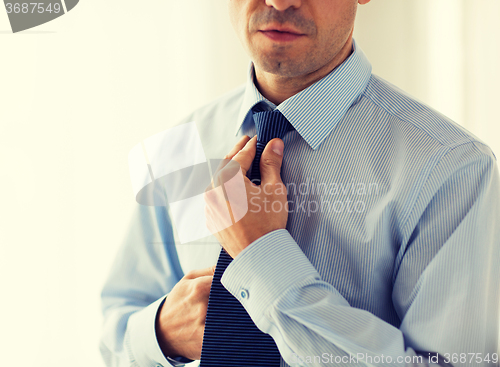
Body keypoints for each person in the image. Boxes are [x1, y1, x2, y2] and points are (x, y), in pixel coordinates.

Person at [99, 0, 500, 366]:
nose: (278, 1)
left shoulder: (453, 170)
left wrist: (260, 256)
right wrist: (161, 333)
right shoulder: (182, 143)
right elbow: (115, 335)